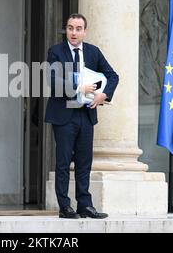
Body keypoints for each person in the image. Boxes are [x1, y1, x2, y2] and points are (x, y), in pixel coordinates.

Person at [45, 13, 119, 219]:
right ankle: (64, 206)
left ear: (85, 32)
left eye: (78, 29)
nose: (74, 33)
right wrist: (79, 87)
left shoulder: (93, 52)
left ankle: (85, 205)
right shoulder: (56, 52)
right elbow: (52, 80)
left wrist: (104, 94)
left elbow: (113, 76)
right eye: (70, 28)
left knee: (84, 163)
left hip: (86, 115)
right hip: (64, 115)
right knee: (63, 162)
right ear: (66, 30)